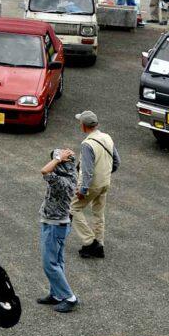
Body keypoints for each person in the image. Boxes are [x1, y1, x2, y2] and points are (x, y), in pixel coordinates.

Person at [70, 111, 119, 259]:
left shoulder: (87, 144)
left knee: (73, 208)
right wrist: (105, 173)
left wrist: (83, 190)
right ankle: (99, 245)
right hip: (105, 183)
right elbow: (117, 162)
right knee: (98, 213)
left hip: (92, 185)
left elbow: (87, 171)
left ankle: (90, 242)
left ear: (83, 126)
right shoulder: (107, 137)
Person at [37, 147, 79, 312]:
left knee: (49, 264)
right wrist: (61, 157)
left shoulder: (62, 181)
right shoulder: (71, 175)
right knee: (58, 262)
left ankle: (69, 297)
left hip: (54, 225)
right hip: (58, 224)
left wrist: (58, 158)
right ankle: (56, 294)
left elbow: (44, 171)